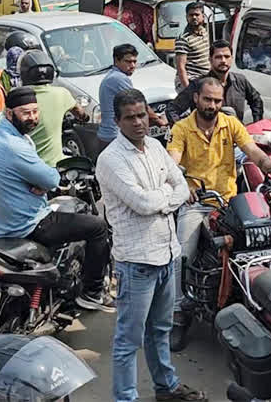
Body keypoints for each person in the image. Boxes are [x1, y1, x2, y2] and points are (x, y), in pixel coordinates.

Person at [166, 76, 271, 350]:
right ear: (196, 99)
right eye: (208, 99)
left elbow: (253, 152)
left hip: (229, 201)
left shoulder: (230, 124)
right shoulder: (181, 129)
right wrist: (181, 184)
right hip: (197, 203)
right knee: (180, 256)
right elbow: (172, 163)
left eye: (217, 100)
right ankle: (178, 314)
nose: (212, 105)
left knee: (265, 245)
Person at [97, 88, 207, 402]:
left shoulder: (157, 148)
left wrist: (164, 197)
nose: (138, 123)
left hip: (167, 256)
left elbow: (183, 187)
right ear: (117, 121)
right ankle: (126, 398)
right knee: (128, 341)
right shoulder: (110, 160)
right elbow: (143, 203)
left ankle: (166, 387)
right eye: (130, 117)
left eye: (142, 115)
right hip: (137, 263)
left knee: (160, 331)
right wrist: (166, 197)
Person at [0, 86, 112, 312]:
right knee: (98, 228)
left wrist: (34, 183)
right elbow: (51, 180)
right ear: (10, 113)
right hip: (28, 224)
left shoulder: (1, 135)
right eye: (25, 113)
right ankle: (92, 293)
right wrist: (44, 182)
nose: (32, 118)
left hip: (0, 223)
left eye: (35, 111)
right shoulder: (14, 145)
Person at [166, 40, 262, 124]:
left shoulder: (240, 80)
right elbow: (172, 109)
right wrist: (184, 131)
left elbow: (256, 100)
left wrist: (256, 124)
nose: (223, 60)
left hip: (236, 139)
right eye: (218, 57)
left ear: (232, 58)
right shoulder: (198, 85)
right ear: (210, 60)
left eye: (227, 56)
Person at [20, 50, 89, 167]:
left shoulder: (17, 97)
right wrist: (84, 118)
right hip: (53, 166)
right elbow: (80, 112)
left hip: (25, 165)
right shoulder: (62, 94)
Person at [97, 44, 166, 155]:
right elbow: (138, 103)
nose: (133, 65)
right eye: (128, 62)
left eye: (134, 62)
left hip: (109, 136)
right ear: (116, 61)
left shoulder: (113, 76)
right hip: (115, 137)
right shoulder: (118, 78)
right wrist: (159, 121)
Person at [172, 1, 210, 93]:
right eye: (191, 15)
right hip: (191, 81)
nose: (194, 17)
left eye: (197, 14)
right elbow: (181, 67)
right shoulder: (183, 39)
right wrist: (189, 90)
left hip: (204, 79)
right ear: (186, 17)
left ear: (203, 16)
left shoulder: (205, 32)